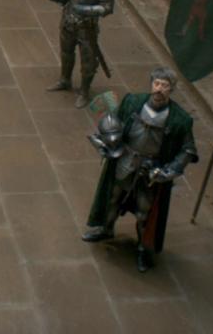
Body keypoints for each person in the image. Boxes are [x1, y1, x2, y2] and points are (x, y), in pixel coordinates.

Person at [82, 67, 198, 273]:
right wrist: (107, 141)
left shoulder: (180, 119)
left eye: (165, 86)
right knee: (113, 198)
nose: (159, 89)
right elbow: (113, 124)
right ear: (151, 84)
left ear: (171, 89)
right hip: (126, 161)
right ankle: (106, 229)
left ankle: (143, 248)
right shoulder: (133, 102)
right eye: (157, 84)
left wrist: (168, 171)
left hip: (151, 171)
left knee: (145, 213)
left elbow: (187, 150)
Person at [46, 0, 115, 108]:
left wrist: (84, 9)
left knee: (88, 62)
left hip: (86, 27)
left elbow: (107, 8)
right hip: (68, 20)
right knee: (66, 52)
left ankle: (84, 91)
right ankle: (65, 80)